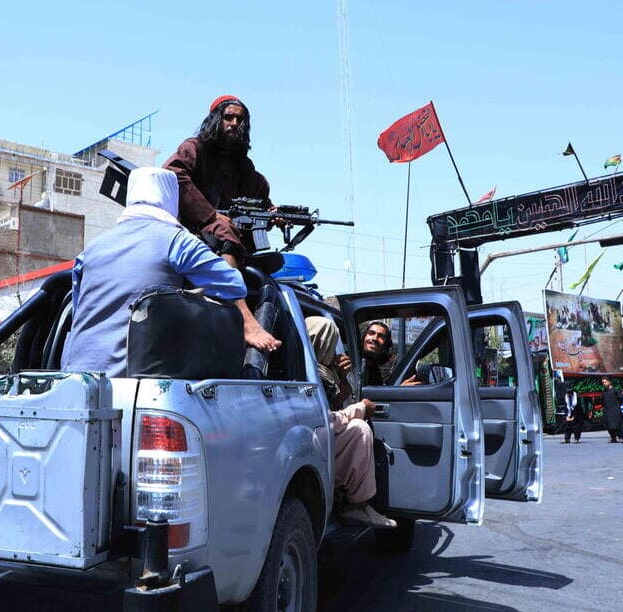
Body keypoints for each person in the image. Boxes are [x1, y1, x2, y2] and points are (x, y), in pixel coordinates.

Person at [61, 167, 279, 377]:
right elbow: (232, 284)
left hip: (73, 378)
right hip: (132, 380)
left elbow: (79, 308)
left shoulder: (91, 249)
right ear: (171, 197)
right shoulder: (176, 241)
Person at [305, 316, 395, 529]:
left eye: (381, 336)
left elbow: (335, 402)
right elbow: (324, 417)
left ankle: (358, 504)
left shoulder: (329, 369)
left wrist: (341, 378)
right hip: (314, 442)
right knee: (359, 429)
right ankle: (357, 504)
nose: (374, 339)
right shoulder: (309, 372)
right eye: (371, 334)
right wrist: (361, 408)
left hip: (320, 439)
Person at [164, 95, 271, 268]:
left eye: (240, 119)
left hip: (233, 232)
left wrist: (272, 214)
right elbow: (173, 173)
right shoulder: (194, 148)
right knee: (224, 229)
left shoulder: (244, 165)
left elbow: (258, 199)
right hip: (194, 227)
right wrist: (210, 215)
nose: (235, 123)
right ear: (216, 120)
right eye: (228, 117)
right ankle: (234, 292)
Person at [600, 377, 623, 443]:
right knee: (608, 424)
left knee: (618, 424)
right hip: (607, 410)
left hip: (615, 409)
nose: (604, 384)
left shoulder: (615, 390)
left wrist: (617, 406)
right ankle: (613, 437)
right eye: (603, 382)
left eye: (605, 382)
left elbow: (621, 399)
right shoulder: (604, 392)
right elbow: (602, 401)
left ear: (609, 382)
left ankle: (621, 437)